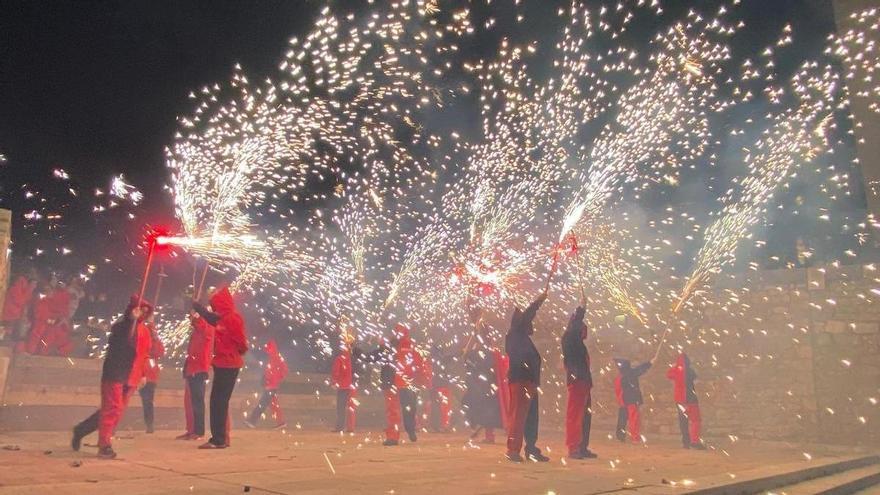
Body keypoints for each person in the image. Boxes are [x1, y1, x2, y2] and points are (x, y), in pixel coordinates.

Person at [71, 297, 152, 459]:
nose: (142, 313)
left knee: (115, 411)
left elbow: (144, 354)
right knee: (112, 409)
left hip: (132, 376)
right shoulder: (121, 327)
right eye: (140, 310)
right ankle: (105, 445)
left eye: (145, 311)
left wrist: (143, 374)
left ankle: (82, 429)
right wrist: (131, 321)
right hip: (115, 373)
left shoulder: (145, 331)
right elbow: (122, 340)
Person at [192, 287, 248, 449]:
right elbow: (210, 318)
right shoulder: (223, 318)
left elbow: (241, 341)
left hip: (229, 364)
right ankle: (220, 438)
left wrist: (236, 352)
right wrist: (197, 307)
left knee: (219, 401)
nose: (213, 306)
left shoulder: (232, 318)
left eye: (215, 302)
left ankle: (219, 439)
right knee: (217, 401)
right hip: (222, 363)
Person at [505, 291, 549, 463]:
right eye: (528, 321)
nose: (532, 324)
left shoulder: (521, 337)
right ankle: (513, 450)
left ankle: (531, 448)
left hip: (529, 382)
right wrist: (538, 301)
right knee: (518, 415)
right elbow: (527, 316)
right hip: (521, 381)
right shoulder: (515, 333)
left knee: (531, 417)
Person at [462, 320, 508, 444]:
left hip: (485, 386)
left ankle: (488, 435)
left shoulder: (486, 351)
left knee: (486, 410)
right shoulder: (491, 350)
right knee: (482, 409)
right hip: (483, 385)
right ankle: (486, 433)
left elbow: (466, 356)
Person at [562, 305, 597, 459]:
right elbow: (575, 324)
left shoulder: (579, 344)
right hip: (577, 381)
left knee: (585, 416)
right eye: (583, 328)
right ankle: (573, 447)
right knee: (575, 415)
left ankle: (582, 446)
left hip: (584, 382)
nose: (585, 331)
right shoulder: (570, 338)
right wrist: (582, 309)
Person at [382, 324, 426, 446]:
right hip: (398, 383)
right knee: (397, 411)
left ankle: (408, 430)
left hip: (405, 383)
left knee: (405, 410)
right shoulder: (391, 346)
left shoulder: (408, 346)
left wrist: (419, 379)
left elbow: (418, 364)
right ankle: (395, 436)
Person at [175, 312, 214, 441]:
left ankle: (198, 430)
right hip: (192, 369)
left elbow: (203, 327)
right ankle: (191, 429)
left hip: (199, 369)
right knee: (191, 402)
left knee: (197, 402)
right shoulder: (197, 331)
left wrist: (197, 317)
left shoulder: (207, 328)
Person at [245, 338, 288, 429]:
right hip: (270, 385)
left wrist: (276, 379)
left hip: (272, 386)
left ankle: (252, 421)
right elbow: (270, 371)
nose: (267, 351)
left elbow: (284, 370)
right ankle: (281, 422)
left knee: (262, 404)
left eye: (268, 349)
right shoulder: (272, 358)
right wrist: (266, 379)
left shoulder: (276, 358)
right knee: (273, 405)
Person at [667, 352, 705, 449]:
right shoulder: (690, 371)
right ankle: (694, 441)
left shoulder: (676, 370)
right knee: (695, 420)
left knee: (683, 421)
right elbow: (695, 377)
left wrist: (675, 366)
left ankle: (686, 442)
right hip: (691, 398)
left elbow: (669, 374)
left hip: (680, 400)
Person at [614, 358, 652, 444]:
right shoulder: (630, 374)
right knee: (633, 419)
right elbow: (640, 370)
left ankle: (621, 436)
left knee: (624, 419)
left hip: (625, 400)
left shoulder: (621, 376)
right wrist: (649, 363)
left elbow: (618, 390)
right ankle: (634, 437)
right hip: (631, 400)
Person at [139, 321, 165, 433]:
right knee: (147, 400)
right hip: (145, 374)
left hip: (149, 376)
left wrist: (155, 339)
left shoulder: (153, 342)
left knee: (147, 400)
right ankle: (149, 425)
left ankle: (149, 425)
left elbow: (160, 352)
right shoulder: (145, 339)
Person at [331, 331, 358, 433]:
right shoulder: (353, 358)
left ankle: (339, 427)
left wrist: (334, 382)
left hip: (343, 386)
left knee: (341, 408)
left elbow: (336, 372)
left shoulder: (340, 359)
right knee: (351, 408)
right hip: (352, 386)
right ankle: (350, 427)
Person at [1, 268, 36, 343]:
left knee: (10, 331)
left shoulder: (22, 286)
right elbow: (20, 301)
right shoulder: (17, 286)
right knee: (7, 330)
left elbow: (26, 300)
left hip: (14, 314)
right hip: (10, 313)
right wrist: (30, 289)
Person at [425, 344, 453, 433]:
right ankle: (443, 425)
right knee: (443, 407)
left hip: (434, 386)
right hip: (441, 386)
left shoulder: (430, 360)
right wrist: (461, 352)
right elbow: (450, 357)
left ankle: (434, 425)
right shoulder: (441, 359)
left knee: (435, 406)